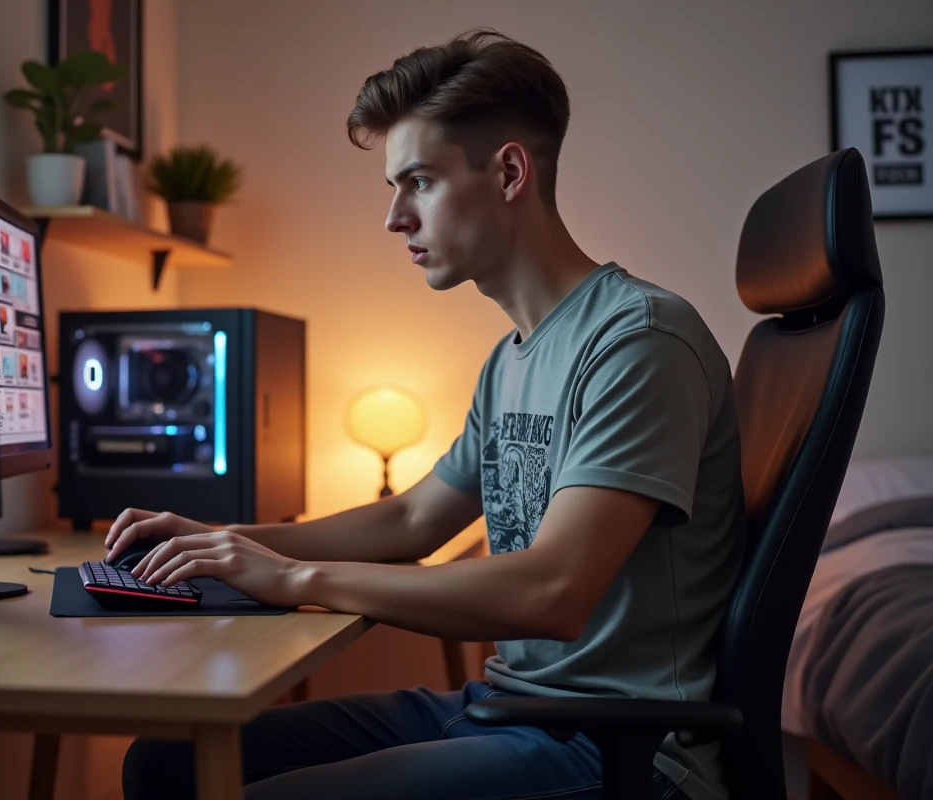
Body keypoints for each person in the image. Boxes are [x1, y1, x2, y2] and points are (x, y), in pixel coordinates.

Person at [115, 29, 745, 800]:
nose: (393, 218)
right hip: (511, 708)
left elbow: (553, 593)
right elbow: (413, 520)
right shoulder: (511, 357)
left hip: (618, 749)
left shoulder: (639, 342)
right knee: (164, 762)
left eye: (418, 181)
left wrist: (296, 577)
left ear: (509, 171)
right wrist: (224, 542)